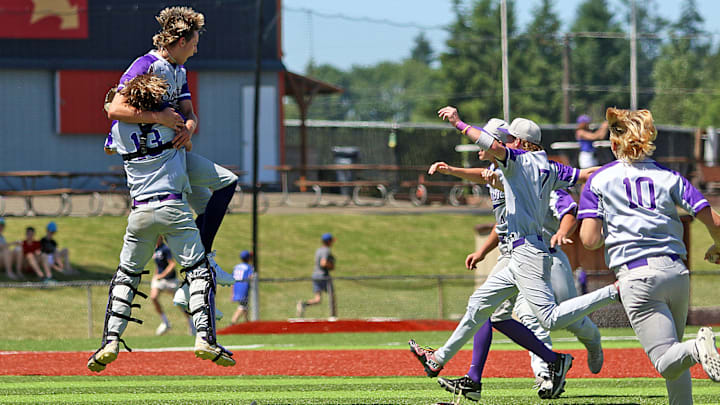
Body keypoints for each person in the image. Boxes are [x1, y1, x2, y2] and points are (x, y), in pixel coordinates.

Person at [409, 108, 620, 400]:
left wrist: (458, 123)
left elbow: (492, 147)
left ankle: (611, 293)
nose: (506, 143)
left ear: (520, 143)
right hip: (521, 251)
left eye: (511, 139)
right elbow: (585, 174)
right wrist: (623, 167)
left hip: (530, 251)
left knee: (548, 318)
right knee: (479, 305)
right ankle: (438, 360)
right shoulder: (550, 165)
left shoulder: (518, 161)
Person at [86, 73, 234, 373]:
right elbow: (187, 145)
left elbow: (108, 147)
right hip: (173, 206)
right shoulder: (172, 121)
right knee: (198, 271)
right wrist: (174, 122)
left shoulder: (118, 129)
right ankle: (205, 337)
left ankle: (110, 340)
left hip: (139, 212)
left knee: (126, 276)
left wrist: (120, 112)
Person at [578, 107, 720, 405]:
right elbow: (714, 222)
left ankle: (698, 347)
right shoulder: (670, 176)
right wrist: (717, 245)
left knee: (664, 360)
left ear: (614, 143)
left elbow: (588, 241)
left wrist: (616, 228)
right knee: (674, 354)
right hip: (676, 273)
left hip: (638, 276)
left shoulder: (599, 179)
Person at [103, 6, 237, 286]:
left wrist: (189, 128)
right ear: (180, 42)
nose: (196, 50)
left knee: (209, 205)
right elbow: (114, 109)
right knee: (226, 183)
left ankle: (199, 271)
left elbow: (189, 112)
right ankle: (200, 269)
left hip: (175, 155)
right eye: (194, 44)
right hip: (159, 162)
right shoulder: (145, 64)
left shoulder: (179, 69)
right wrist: (158, 117)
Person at [151, 236, 195, 336]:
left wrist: (162, 275)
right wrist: (156, 275)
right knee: (153, 297)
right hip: (160, 280)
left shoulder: (165, 249)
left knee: (180, 303)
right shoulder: (155, 250)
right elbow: (158, 266)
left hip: (171, 280)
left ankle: (191, 323)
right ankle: (165, 322)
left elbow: (172, 264)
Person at [297, 233, 336, 318]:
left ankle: (303, 304)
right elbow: (323, 263)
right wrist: (331, 266)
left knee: (318, 299)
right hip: (323, 276)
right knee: (332, 296)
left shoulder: (318, 250)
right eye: (331, 241)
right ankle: (333, 317)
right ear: (328, 242)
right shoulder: (326, 250)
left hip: (315, 275)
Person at [231, 250, 254, 324]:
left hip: (236, 287)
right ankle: (233, 322)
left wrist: (232, 293)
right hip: (243, 287)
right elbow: (251, 277)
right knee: (242, 306)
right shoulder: (249, 267)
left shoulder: (236, 267)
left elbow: (232, 279)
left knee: (245, 305)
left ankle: (247, 322)